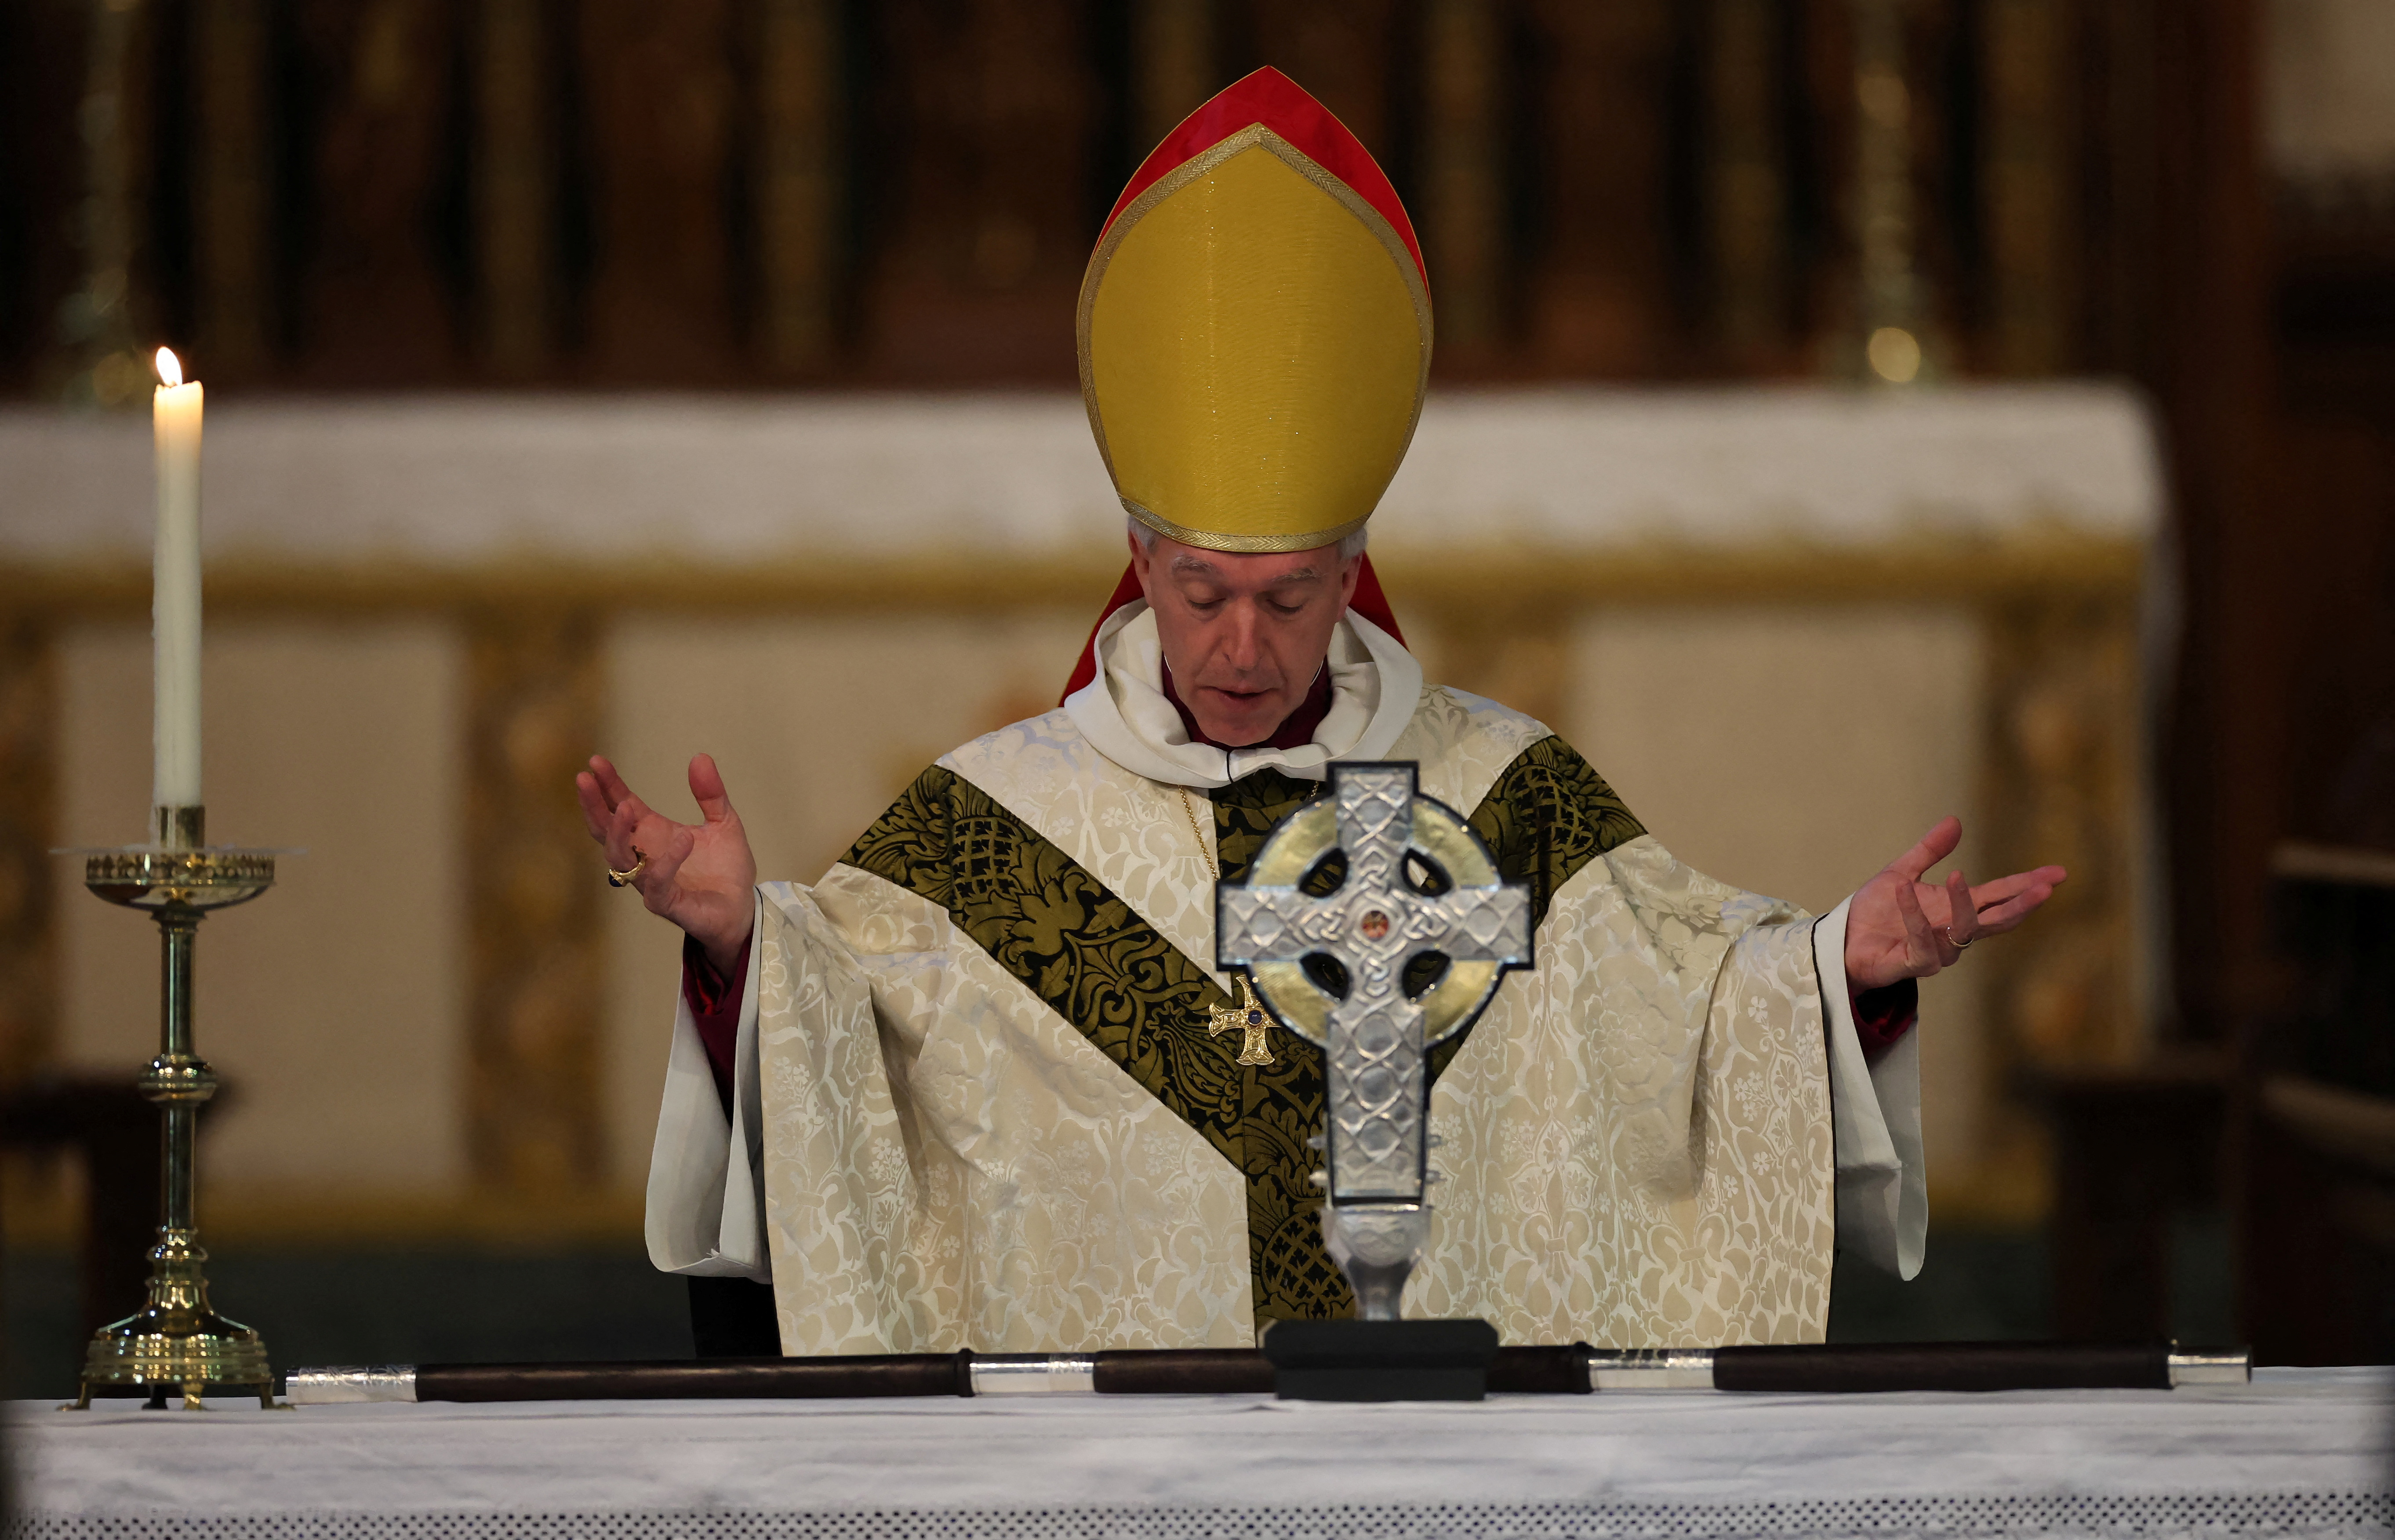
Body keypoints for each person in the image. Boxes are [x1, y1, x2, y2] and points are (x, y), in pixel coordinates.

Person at [577, 69, 2065, 1358]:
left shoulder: (1501, 797)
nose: (1241, 644)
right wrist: (742, 945)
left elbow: (1684, 1018)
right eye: (1202, 590)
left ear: (1352, 573)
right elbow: (839, 1062)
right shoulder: (988, 830)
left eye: (1288, 597)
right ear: (1139, 561)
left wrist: (1835, 971)